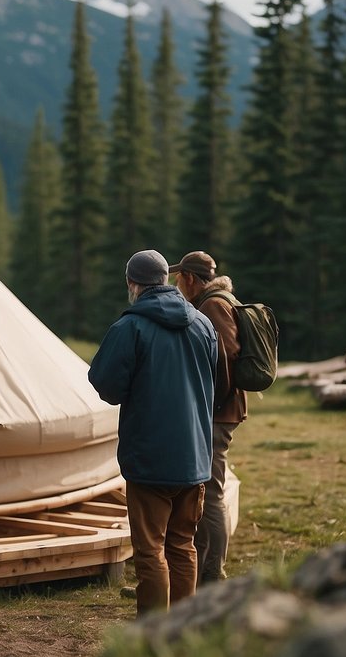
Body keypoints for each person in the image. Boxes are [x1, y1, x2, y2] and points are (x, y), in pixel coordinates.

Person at [87, 250, 216, 615]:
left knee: (150, 551)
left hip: (149, 459)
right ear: (165, 280)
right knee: (182, 545)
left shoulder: (129, 328)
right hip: (195, 457)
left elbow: (107, 386)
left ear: (133, 284)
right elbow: (213, 378)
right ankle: (183, 629)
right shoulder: (202, 324)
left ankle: (153, 633)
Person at [170, 250, 247, 584]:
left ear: (189, 278)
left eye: (179, 278)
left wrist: (209, 404)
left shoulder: (213, 305)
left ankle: (212, 573)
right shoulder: (219, 299)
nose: (177, 284)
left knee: (212, 492)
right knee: (207, 487)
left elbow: (226, 355)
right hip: (220, 411)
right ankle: (202, 571)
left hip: (217, 414)